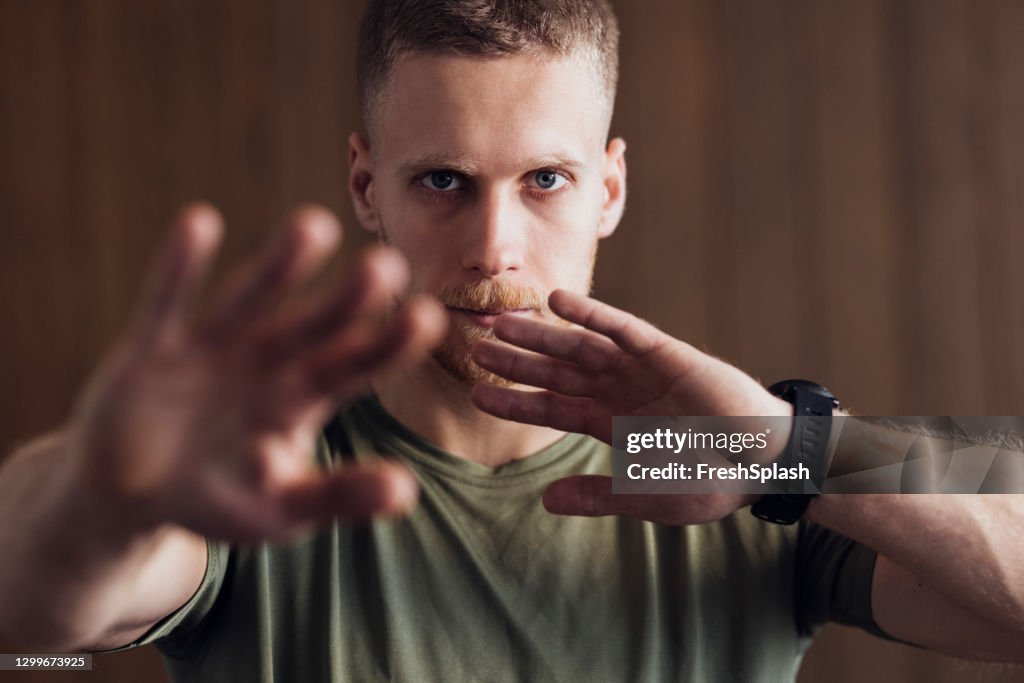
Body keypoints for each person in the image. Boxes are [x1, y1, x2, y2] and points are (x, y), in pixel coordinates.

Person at [0, 1, 1021, 680]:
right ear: (367, 186)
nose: (493, 245)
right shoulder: (262, 476)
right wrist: (98, 487)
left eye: (545, 180)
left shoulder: (729, 457)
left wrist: (789, 445)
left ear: (608, 187)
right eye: (443, 180)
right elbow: (35, 606)